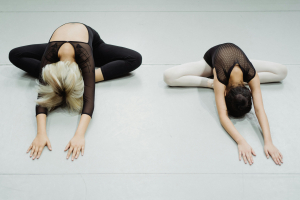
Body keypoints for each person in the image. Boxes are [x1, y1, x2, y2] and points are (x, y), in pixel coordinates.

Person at [9, 22, 142, 161]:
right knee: (15, 55)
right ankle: (56, 77)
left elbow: (89, 100)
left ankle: (82, 77)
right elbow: (41, 99)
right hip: (57, 47)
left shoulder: (85, 56)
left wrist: (79, 135)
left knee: (135, 58)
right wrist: (40, 134)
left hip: (91, 46)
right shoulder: (49, 56)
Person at [163, 43, 287, 165]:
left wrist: (269, 141)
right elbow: (223, 116)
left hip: (239, 62)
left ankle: (225, 82)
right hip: (212, 60)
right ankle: (209, 83)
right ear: (225, 93)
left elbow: (259, 110)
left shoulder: (251, 74)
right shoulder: (220, 79)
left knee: (282, 71)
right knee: (169, 76)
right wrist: (241, 141)